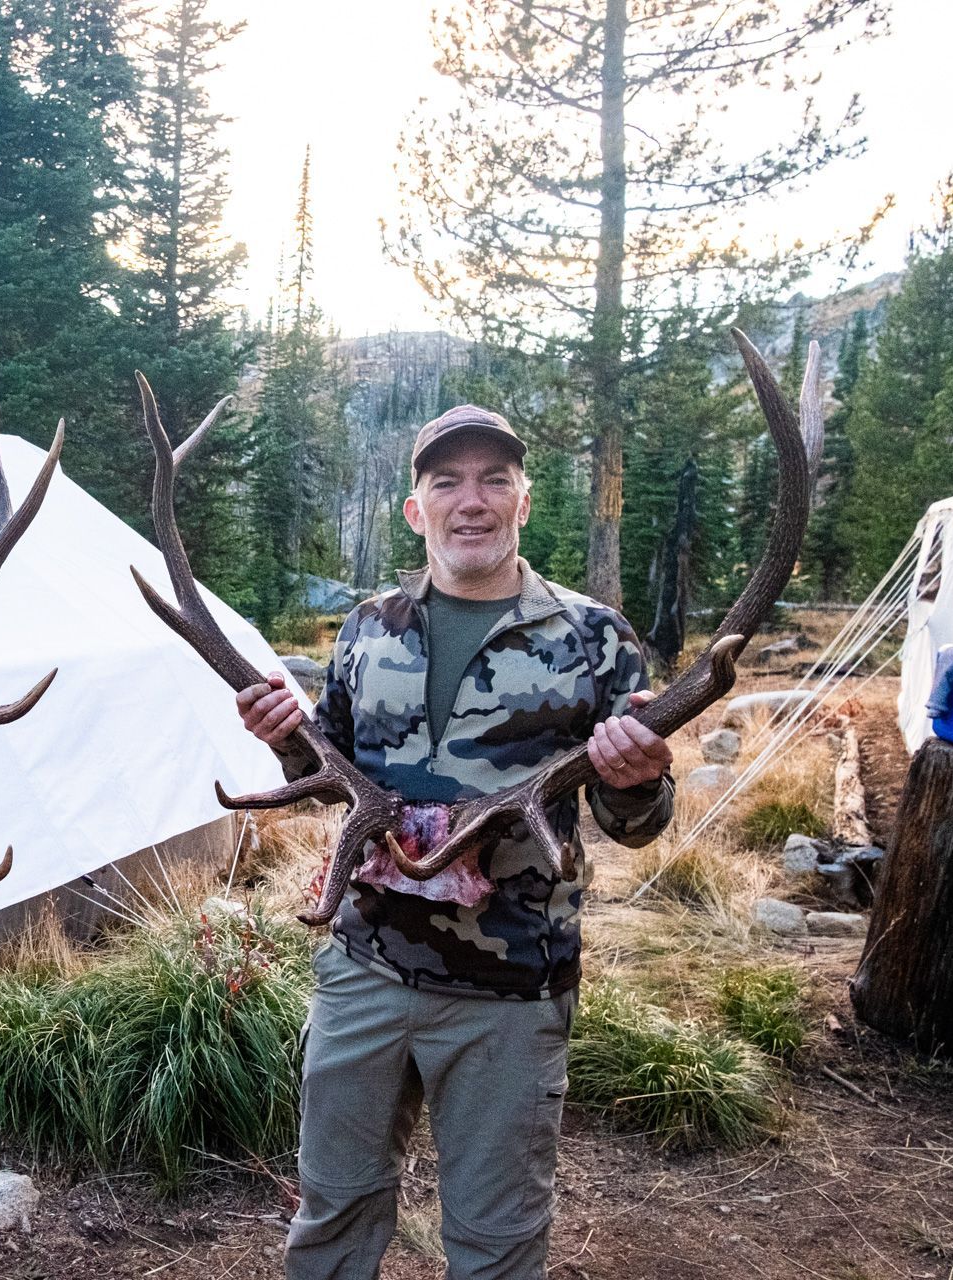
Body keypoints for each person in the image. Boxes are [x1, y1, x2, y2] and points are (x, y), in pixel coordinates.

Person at [235, 405, 676, 1280]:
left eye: (493, 480)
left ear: (522, 501)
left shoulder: (595, 639)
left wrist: (637, 781)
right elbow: (329, 768)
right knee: (332, 1212)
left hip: (508, 991)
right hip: (364, 970)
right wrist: (285, 736)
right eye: (447, 482)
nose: (470, 500)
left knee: (495, 1242)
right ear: (417, 509)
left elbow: (635, 825)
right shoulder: (367, 628)